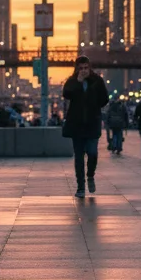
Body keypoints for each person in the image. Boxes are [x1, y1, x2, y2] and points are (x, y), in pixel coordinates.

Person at [62, 55, 109, 198]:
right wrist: (78, 83)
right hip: (77, 125)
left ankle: (90, 175)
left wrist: (94, 100)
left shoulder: (97, 81)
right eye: (81, 68)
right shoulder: (72, 81)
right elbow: (67, 94)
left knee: (93, 153)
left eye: (86, 68)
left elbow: (104, 100)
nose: (83, 70)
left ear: (90, 67)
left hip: (92, 123)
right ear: (77, 69)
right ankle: (80, 187)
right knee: (79, 158)